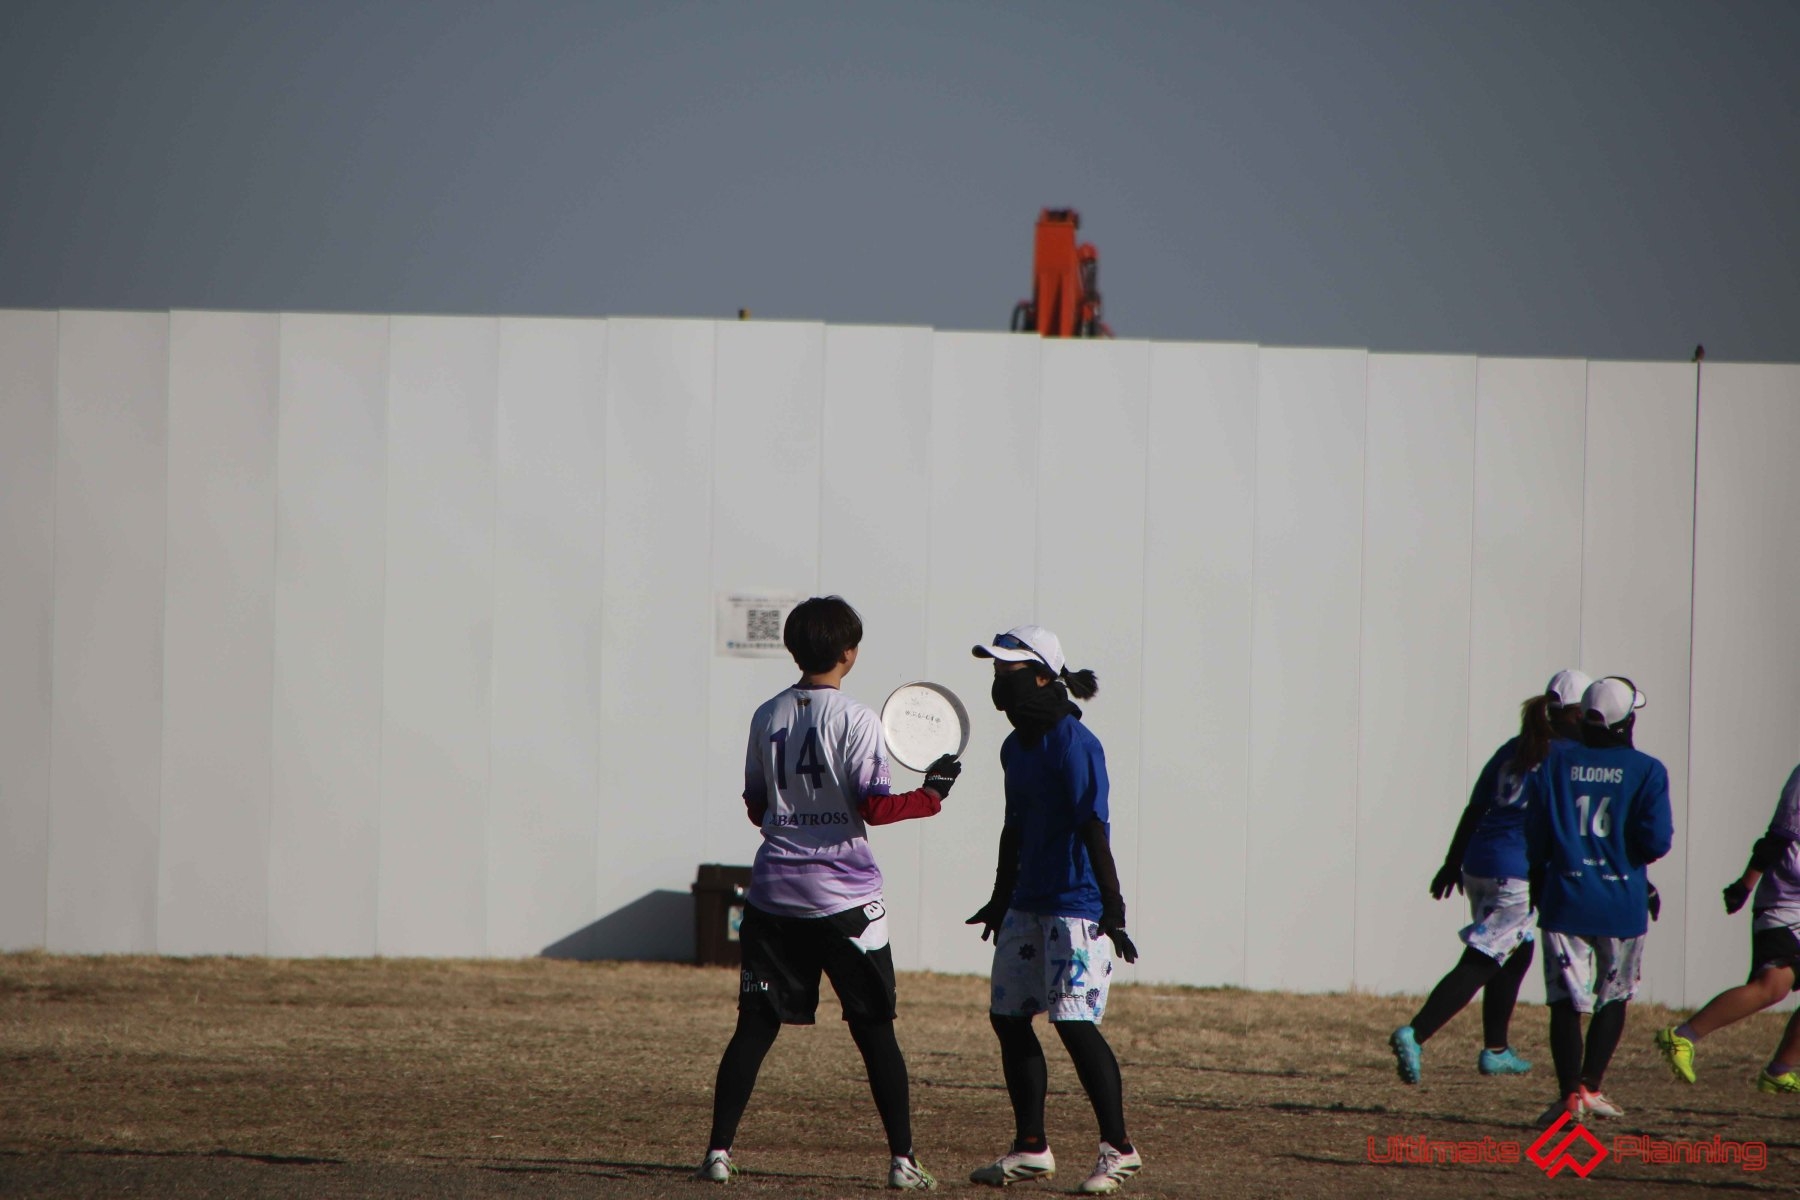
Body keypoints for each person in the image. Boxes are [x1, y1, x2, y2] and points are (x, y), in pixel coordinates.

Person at [695, 596, 961, 1189]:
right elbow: (876, 807)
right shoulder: (860, 720)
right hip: (848, 903)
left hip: (773, 896)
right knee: (874, 1031)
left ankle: (717, 1152)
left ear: (793, 650)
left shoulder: (766, 714)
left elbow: (756, 804)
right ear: (849, 653)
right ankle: (902, 1162)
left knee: (754, 1027)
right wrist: (934, 793)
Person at [964, 626, 1142, 1195]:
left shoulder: (1076, 743)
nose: (1000, 681)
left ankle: (1119, 1149)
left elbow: (1093, 827)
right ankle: (1031, 1147)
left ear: (1044, 677)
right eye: (995, 671)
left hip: (1075, 907)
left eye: (1010, 671)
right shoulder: (1013, 747)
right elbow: (1013, 828)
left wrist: (1112, 908)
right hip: (1027, 903)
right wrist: (1000, 897)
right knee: (1008, 1018)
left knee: (1074, 1023)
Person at [1390, 670, 1590, 1084]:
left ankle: (1496, 1050)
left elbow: (1475, 808)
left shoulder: (1515, 747)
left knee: (1517, 950)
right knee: (1483, 957)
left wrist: (1452, 863)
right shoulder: (1570, 755)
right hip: (1515, 871)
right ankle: (1416, 1032)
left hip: (1479, 862)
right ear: (1574, 714)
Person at [1523, 676, 1674, 1124]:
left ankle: (1569, 1094)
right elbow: (1657, 841)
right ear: (1625, 722)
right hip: (1621, 902)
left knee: (1564, 1002)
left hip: (1564, 898)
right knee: (1615, 996)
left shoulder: (1553, 765)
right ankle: (1591, 1086)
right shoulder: (1648, 770)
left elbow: (1535, 835)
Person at [1655, 764, 1800, 1095]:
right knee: (1771, 987)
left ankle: (1779, 1072)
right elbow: (1777, 838)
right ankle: (1681, 1037)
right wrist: (1744, 886)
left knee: (1775, 986)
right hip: (1786, 902)